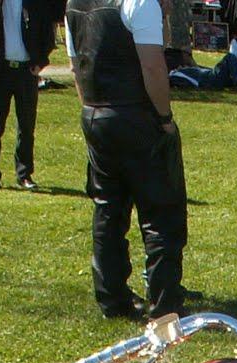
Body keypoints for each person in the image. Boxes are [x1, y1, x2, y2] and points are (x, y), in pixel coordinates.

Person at [64, 0, 188, 319]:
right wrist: (164, 118)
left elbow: (76, 65)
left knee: (108, 208)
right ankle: (164, 303)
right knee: (161, 213)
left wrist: (91, 108)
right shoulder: (140, 2)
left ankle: (112, 298)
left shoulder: (74, 5)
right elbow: (153, 66)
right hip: (134, 113)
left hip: (94, 112)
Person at [0, 0, 55, 190]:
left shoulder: (33, 4)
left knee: (26, 125)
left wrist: (41, 61)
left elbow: (46, 29)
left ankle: (24, 174)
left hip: (26, 70)